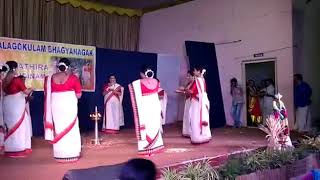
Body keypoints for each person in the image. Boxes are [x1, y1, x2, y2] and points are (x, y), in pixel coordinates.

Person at [44, 58, 82, 162]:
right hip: (68, 104)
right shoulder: (74, 78)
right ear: (68, 67)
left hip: (56, 104)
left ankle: (59, 153)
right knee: (71, 127)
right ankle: (71, 153)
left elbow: (47, 93)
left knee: (59, 126)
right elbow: (78, 95)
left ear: (58, 67)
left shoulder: (50, 78)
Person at [128, 66, 164, 156]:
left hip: (145, 107)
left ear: (141, 73)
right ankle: (155, 146)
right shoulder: (156, 81)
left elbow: (132, 87)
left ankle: (146, 147)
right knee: (154, 125)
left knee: (146, 126)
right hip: (155, 106)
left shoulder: (138, 83)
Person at [2, 61, 33, 157]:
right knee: (19, 126)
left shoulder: (3, 81)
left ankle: (9, 148)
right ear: (14, 69)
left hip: (7, 104)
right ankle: (18, 149)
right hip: (16, 106)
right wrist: (32, 89)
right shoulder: (17, 80)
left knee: (9, 125)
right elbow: (26, 92)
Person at [187, 66, 211, 144]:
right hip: (202, 102)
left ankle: (197, 137)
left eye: (194, 71)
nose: (193, 72)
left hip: (196, 103)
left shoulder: (197, 80)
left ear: (198, 71)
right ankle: (205, 136)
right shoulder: (202, 80)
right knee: (202, 118)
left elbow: (191, 91)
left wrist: (184, 90)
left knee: (195, 119)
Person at [176, 70, 194, 137]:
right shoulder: (189, 83)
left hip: (191, 101)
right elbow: (186, 92)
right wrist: (182, 91)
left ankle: (191, 132)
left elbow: (191, 92)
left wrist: (183, 90)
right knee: (186, 116)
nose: (188, 77)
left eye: (189, 75)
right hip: (187, 100)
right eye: (187, 75)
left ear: (193, 76)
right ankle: (187, 132)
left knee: (190, 116)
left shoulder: (194, 83)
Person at [0, 64, 9, 153]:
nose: (2, 75)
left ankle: (2, 144)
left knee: (2, 123)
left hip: (3, 103)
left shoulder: (3, 81)